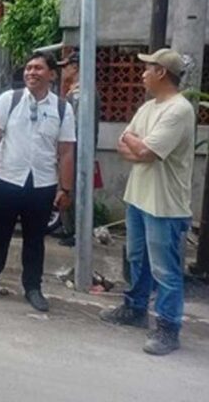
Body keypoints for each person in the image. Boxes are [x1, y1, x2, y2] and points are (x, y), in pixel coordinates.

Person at [99, 49, 194, 356]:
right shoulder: (149, 107)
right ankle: (135, 308)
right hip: (138, 197)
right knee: (137, 257)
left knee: (165, 269)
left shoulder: (179, 110)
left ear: (162, 73)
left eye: (147, 68)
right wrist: (138, 148)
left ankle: (168, 327)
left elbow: (145, 153)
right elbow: (125, 145)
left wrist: (138, 148)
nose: (142, 73)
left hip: (164, 204)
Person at [0, 51, 76, 312]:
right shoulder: (9, 99)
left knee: (35, 240)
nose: (31, 72)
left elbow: (66, 152)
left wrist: (65, 188)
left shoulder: (62, 108)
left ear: (51, 74)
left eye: (38, 68)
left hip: (41, 184)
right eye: (28, 68)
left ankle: (33, 288)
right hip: (6, 179)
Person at [56, 51, 101, 247]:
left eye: (65, 66)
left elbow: (75, 126)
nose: (63, 71)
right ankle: (71, 229)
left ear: (75, 67)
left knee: (74, 190)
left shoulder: (81, 93)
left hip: (76, 150)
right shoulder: (76, 90)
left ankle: (76, 231)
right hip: (76, 149)